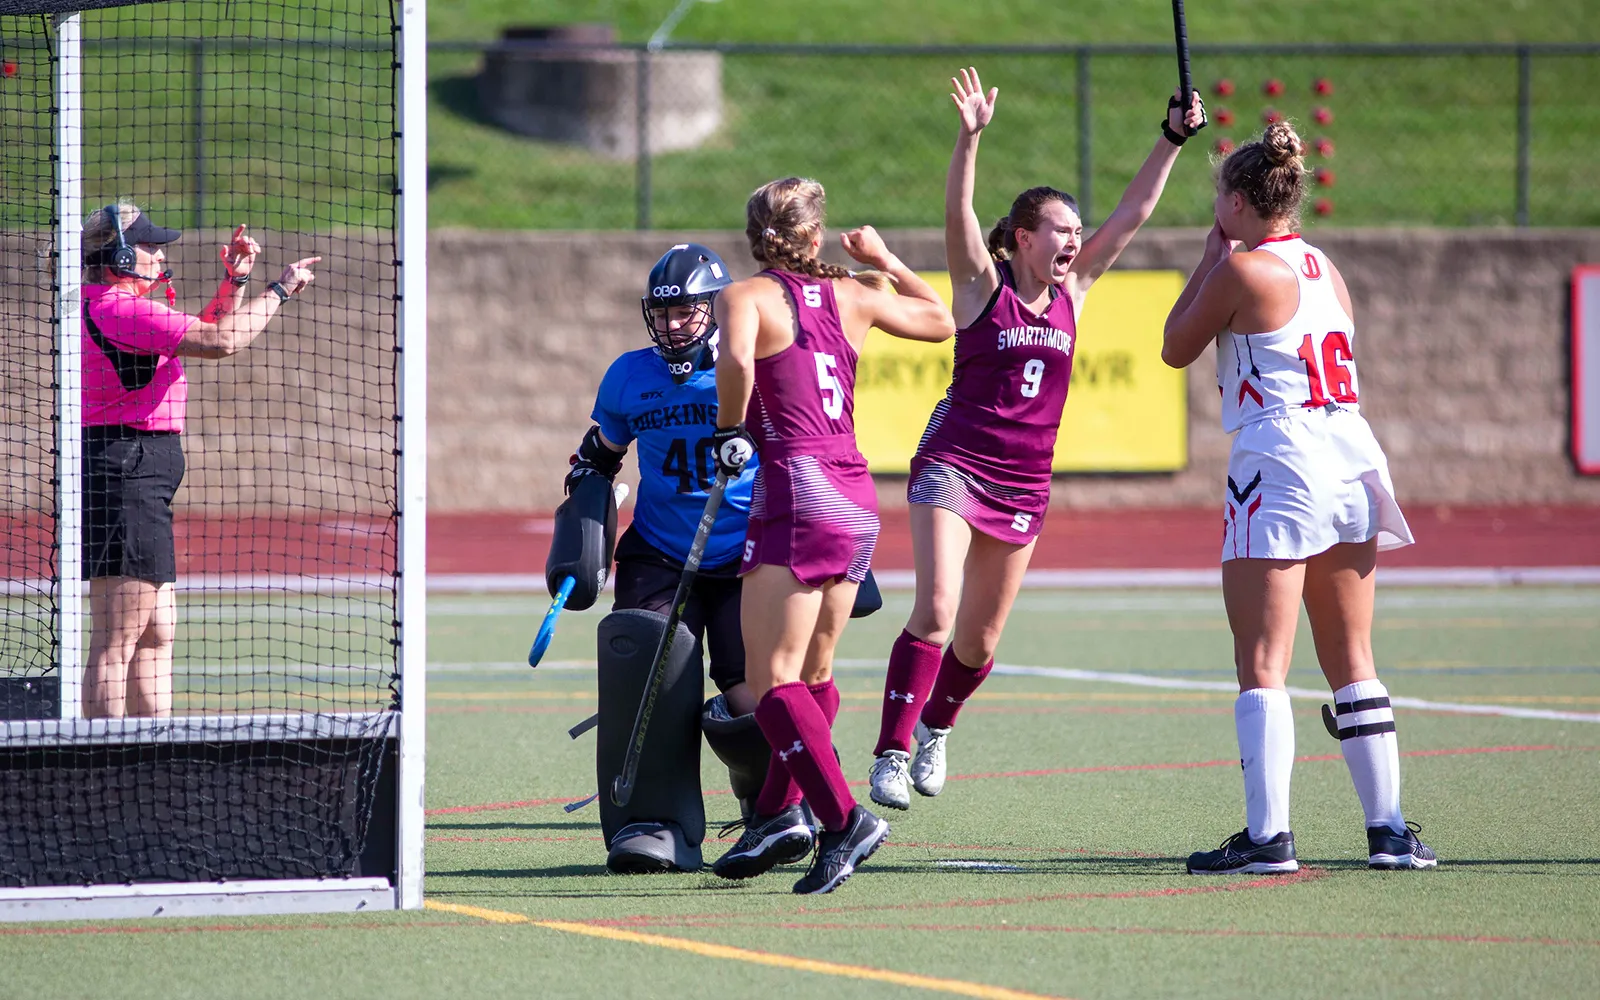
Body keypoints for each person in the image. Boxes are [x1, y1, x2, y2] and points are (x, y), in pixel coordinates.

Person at [867, 68, 1207, 810]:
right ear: (1024, 237)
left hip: (1024, 483)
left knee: (980, 643)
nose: (1074, 242)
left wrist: (1172, 137)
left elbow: (1132, 215)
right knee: (936, 610)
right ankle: (890, 753)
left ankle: (935, 728)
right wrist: (970, 137)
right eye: (1060, 231)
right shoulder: (978, 286)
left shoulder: (1073, 292)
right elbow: (957, 208)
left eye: (1075, 235)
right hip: (955, 467)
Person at [1161, 121, 1436, 873]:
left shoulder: (1242, 271)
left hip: (1279, 457)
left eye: (1221, 200)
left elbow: (1174, 343)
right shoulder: (1326, 266)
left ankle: (1268, 837)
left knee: (1262, 661)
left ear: (1242, 203)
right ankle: (1389, 831)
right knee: (1352, 654)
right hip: (1349, 450)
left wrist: (1207, 260)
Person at [709, 177, 955, 895]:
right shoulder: (852, 292)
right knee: (813, 674)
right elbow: (942, 320)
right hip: (853, 490)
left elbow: (734, 360)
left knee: (770, 678)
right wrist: (887, 257)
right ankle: (782, 815)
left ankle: (842, 820)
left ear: (756, 235)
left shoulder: (746, 297)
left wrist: (729, 430)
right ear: (815, 236)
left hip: (796, 485)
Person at [80, 202, 318, 720]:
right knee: (117, 638)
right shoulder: (119, 308)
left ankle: (150, 756)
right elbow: (221, 340)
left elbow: (202, 328)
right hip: (128, 469)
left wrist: (234, 283)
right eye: (149, 246)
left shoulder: (111, 304)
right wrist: (277, 291)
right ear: (119, 255)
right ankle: (105, 769)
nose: (159, 254)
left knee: (155, 632)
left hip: (138, 467)